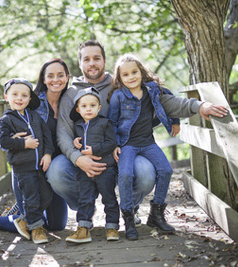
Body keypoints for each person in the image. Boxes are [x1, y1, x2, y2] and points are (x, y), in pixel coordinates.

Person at [107, 53, 228, 240]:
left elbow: (171, 101)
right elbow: (112, 122)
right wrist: (114, 144)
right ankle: (129, 218)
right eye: (125, 74)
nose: (131, 77)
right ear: (119, 78)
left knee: (165, 170)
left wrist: (177, 119)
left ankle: (156, 214)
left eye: (134, 72)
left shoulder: (152, 90)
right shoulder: (118, 96)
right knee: (125, 175)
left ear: (141, 72)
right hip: (127, 144)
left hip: (147, 143)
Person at [46, 40, 157, 224]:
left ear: (104, 61)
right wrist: (77, 158)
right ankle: (85, 204)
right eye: (86, 59)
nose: (92, 63)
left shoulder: (120, 85)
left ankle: (129, 208)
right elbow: (63, 133)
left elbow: (152, 102)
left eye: (96, 58)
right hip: (84, 156)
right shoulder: (71, 94)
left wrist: (196, 107)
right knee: (56, 171)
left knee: (145, 172)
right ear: (80, 63)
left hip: (121, 153)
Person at [0, 59, 70, 234]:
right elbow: (4, 132)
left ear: (67, 78)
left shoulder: (70, 101)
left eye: (60, 75)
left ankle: (24, 215)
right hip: (28, 167)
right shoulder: (33, 102)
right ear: (43, 79)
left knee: (56, 225)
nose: (56, 79)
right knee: (33, 219)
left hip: (53, 167)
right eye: (50, 76)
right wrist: (16, 140)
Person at [0, 77, 54, 244]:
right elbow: (3, 141)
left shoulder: (35, 116)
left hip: (39, 165)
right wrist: (23, 143)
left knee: (46, 194)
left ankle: (24, 220)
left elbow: (46, 135)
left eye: (24, 95)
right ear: (7, 97)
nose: (19, 98)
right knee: (31, 197)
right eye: (15, 94)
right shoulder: (6, 120)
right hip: (22, 166)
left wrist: (48, 154)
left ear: (29, 99)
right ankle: (36, 228)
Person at [65, 87, 120, 243]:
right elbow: (77, 142)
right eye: (84, 106)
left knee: (109, 198)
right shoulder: (77, 125)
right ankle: (83, 227)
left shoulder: (104, 123)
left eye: (92, 105)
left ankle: (112, 226)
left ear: (99, 107)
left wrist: (94, 149)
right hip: (85, 171)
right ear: (78, 109)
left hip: (105, 168)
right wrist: (75, 142)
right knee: (85, 198)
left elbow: (111, 143)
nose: (88, 109)